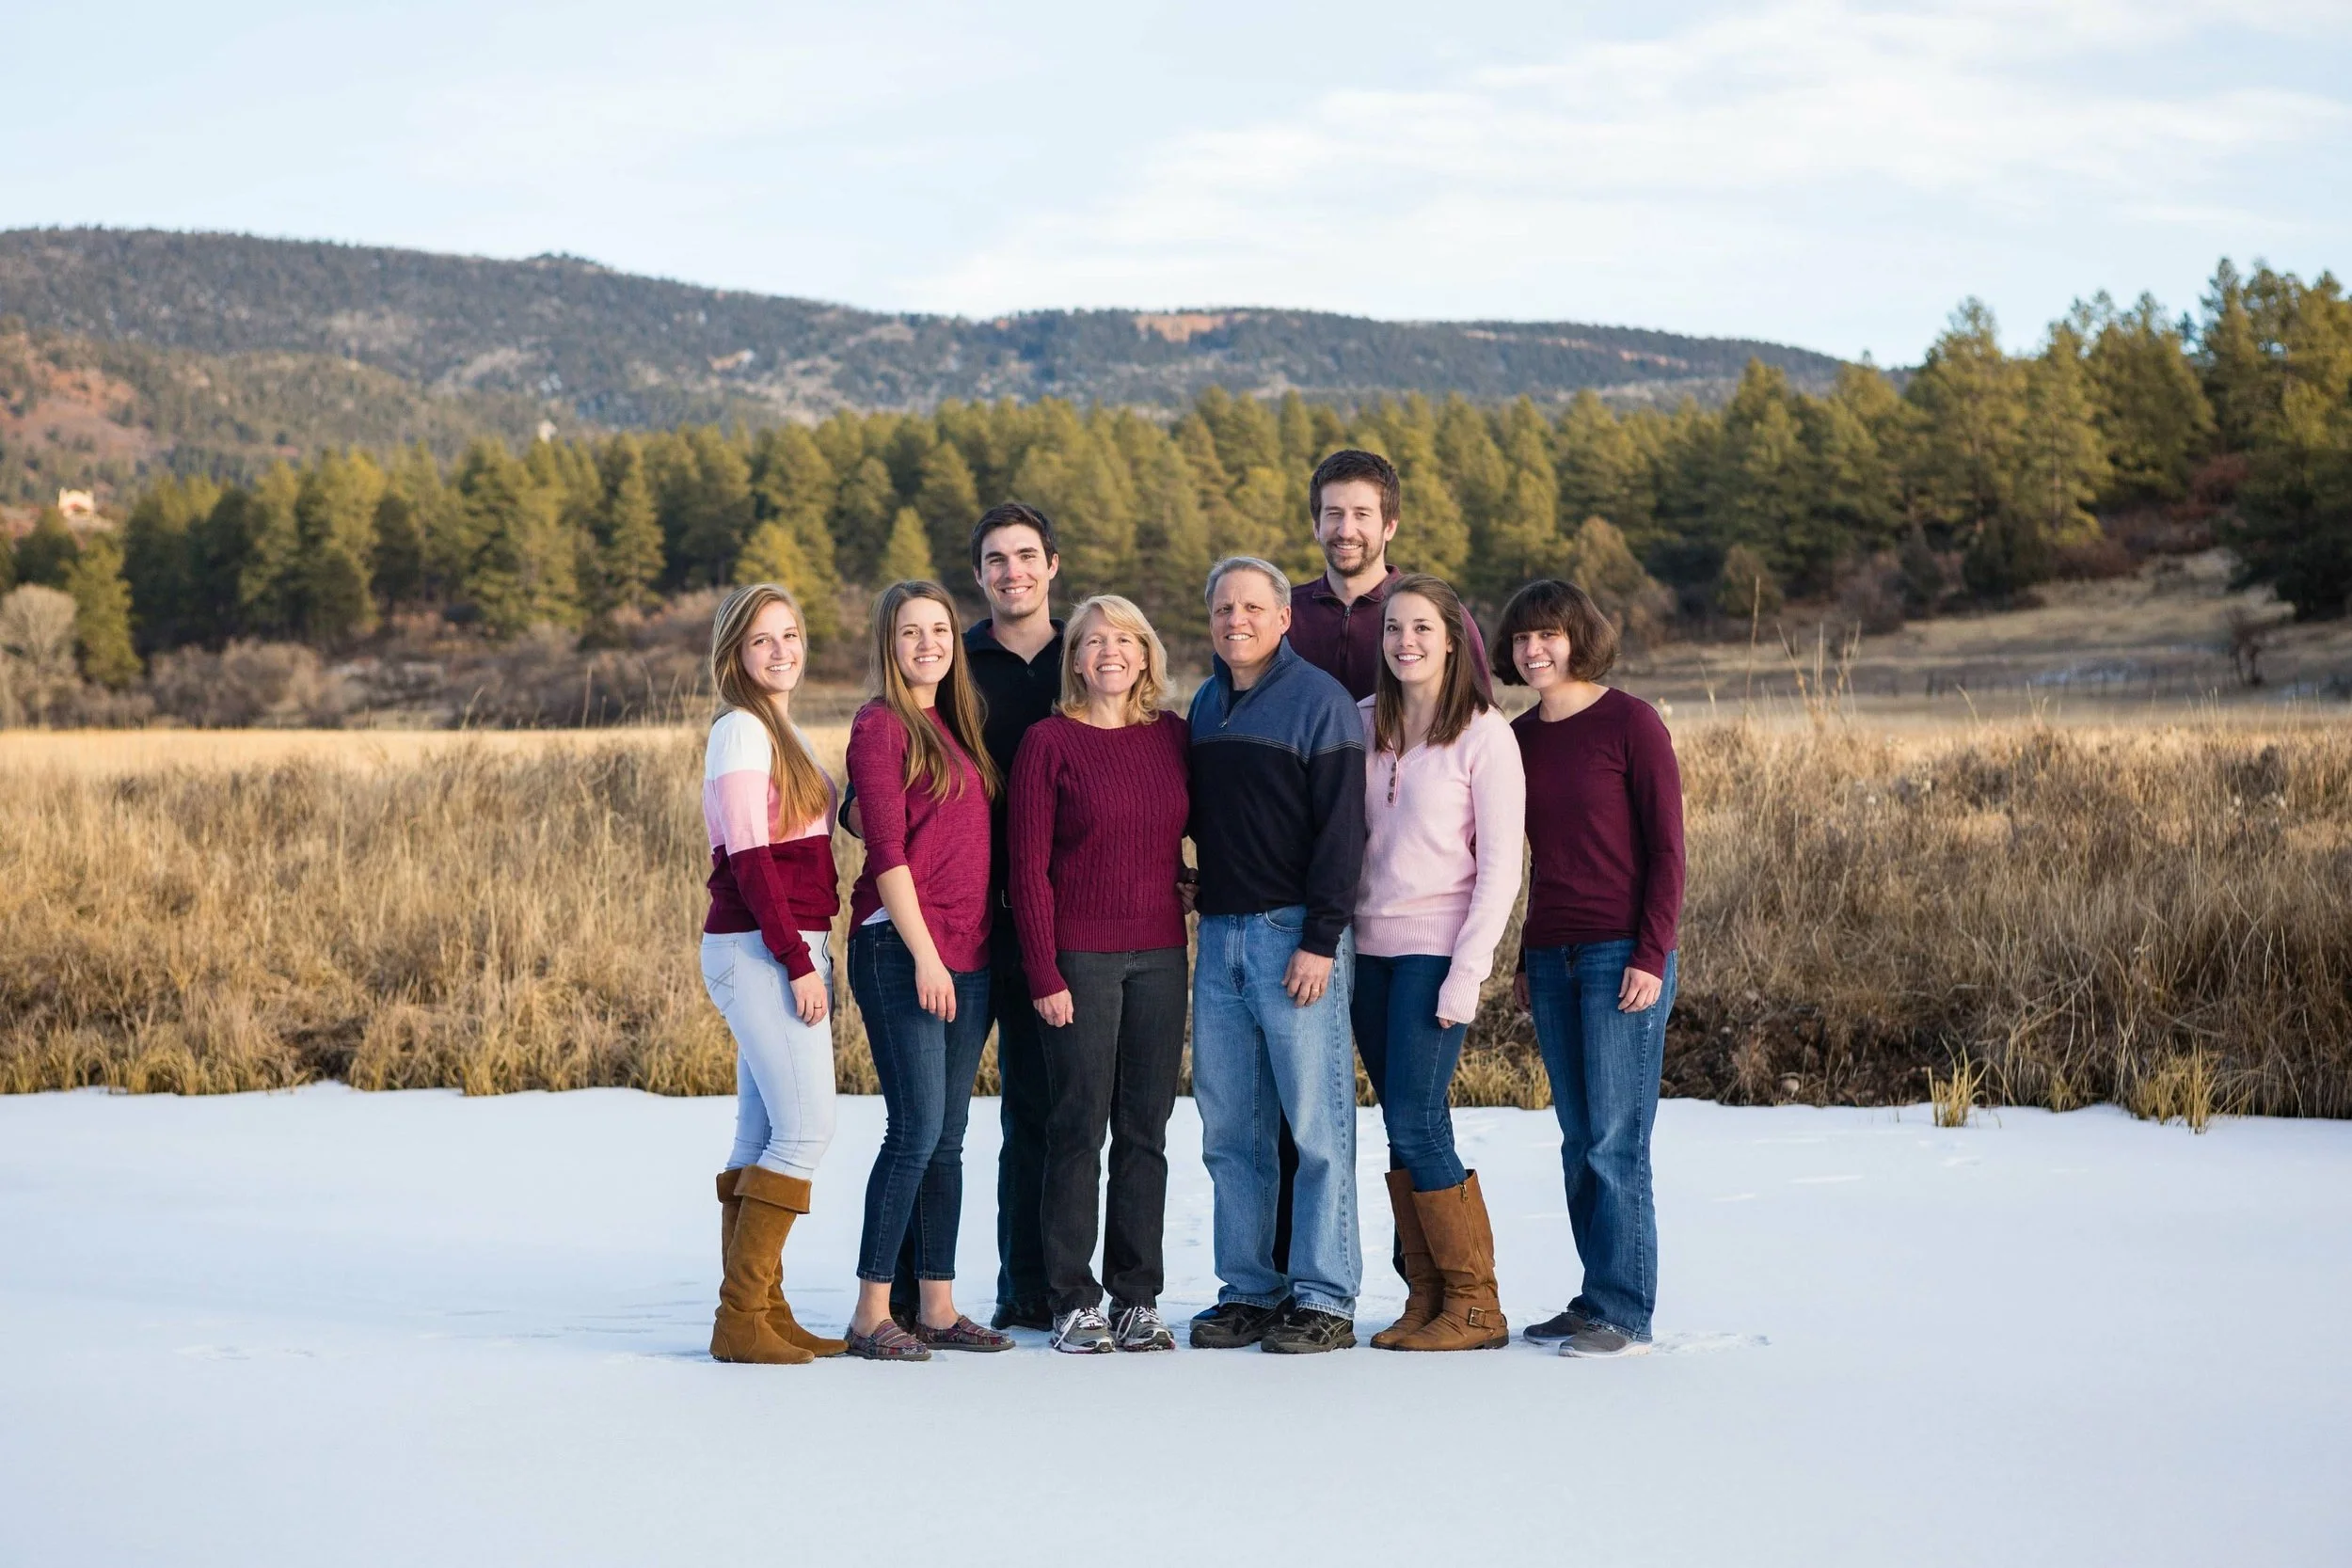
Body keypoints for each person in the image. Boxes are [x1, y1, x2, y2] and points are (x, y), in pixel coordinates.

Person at [1284, 446, 1491, 1297]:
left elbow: (1478, 762)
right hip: (1308, 907)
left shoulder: (1429, 617)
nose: (1346, 527)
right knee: (1304, 1110)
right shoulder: (1283, 614)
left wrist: (1475, 957)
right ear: (1316, 523)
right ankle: (1293, 1284)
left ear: (1389, 523)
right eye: (1333, 513)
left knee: (1412, 1113)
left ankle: (1447, 1292)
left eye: (1362, 513)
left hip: (1425, 926)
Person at [1494, 578, 1686, 1359]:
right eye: (1520, 640)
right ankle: (1593, 1294)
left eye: (1549, 635)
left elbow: (1669, 852)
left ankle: (1625, 1311)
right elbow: (1535, 861)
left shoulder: (1630, 723)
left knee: (1616, 1138)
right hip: (1551, 956)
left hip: (1620, 954)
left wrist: (1651, 952)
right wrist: (1522, 955)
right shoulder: (1518, 738)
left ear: (1579, 638)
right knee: (1578, 1138)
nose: (1534, 650)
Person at [1185, 555, 1368, 1354]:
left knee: (1316, 1124)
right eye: (1224, 608)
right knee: (1232, 1127)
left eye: (1253, 607)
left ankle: (1325, 1294)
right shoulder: (1203, 704)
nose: (1237, 620)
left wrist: (1320, 939)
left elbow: (1342, 834)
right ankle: (1251, 1289)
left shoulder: (1321, 703)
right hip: (1219, 934)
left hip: (1295, 936)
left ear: (1284, 617)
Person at [1007, 594, 1191, 1354]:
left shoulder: (1173, 738)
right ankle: (1073, 1300)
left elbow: (1195, 833)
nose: (1110, 651)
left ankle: (1136, 1297)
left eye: (1125, 639)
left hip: (1161, 956)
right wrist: (1044, 971)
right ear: (1074, 659)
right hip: (1078, 959)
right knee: (1077, 1128)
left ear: (1146, 655)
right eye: (1092, 641)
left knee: (1146, 1131)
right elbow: (1028, 870)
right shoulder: (1048, 742)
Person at [841, 580, 1015, 1360]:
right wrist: (924, 955)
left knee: (947, 1137)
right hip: (901, 948)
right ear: (890, 643)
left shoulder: (958, 726)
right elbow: (886, 854)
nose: (927, 644)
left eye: (939, 629)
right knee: (913, 1130)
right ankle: (870, 1311)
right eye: (910, 632)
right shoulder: (880, 726)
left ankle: (937, 1306)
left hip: (968, 954)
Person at [1352, 573, 1524, 1352]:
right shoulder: (1362, 724)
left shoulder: (1484, 734)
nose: (1406, 642)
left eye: (1422, 627)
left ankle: (1475, 1303)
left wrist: (1469, 969)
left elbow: (1500, 868)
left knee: (1418, 1120)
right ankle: (1425, 1297)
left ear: (1453, 639)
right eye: (1394, 628)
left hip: (1434, 953)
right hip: (1368, 956)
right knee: (1401, 1126)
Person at [699, 583, 849, 1366]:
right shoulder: (742, 732)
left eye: (790, 635)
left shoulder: (777, 729)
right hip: (762, 946)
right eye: (763, 640)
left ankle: (764, 1310)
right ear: (735, 654)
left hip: (779, 944)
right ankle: (739, 1316)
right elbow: (753, 861)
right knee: (805, 1129)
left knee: (760, 1133)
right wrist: (798, 959)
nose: (781, 650)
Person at [958, 504, 1067, 1333]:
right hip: (960, 918)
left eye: (1026, 556)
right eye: (997, 560)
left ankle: (1035, 1282)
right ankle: (918, 1294)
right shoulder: (950, 658)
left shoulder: (1088, 652)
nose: (1012, 571)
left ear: (1052, 565)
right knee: (936, 1120)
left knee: (1043, 1108)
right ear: (980, 575)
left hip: (1059, 925)